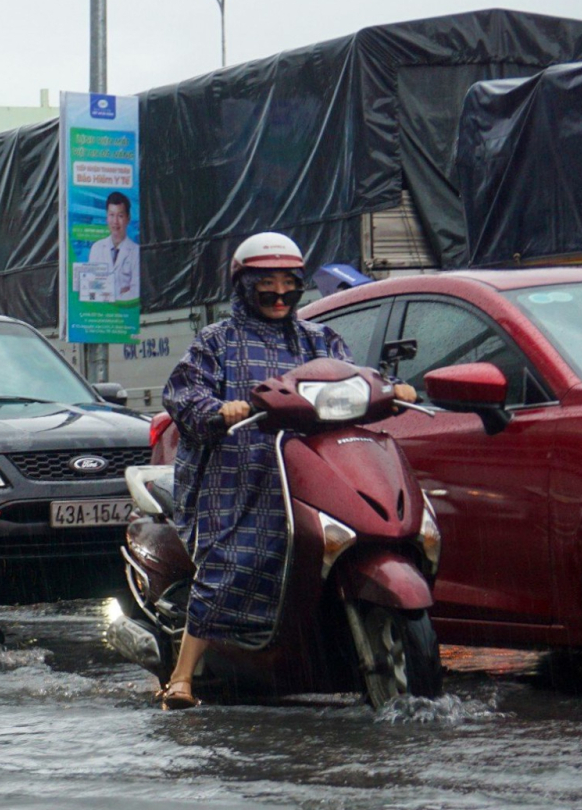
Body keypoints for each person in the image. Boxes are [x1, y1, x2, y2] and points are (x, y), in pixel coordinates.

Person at [157, 231, 417, 709]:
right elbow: (181, 394)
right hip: (238, 476)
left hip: (309, 469)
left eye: (288, 284)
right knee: (233, 560)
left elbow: (353, 377)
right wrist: (220, 409)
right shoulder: (217, 342)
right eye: (266, 284)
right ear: (243, 286)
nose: (279, 294)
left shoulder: (319, 339)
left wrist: (393, 390)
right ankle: (182, 677)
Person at [84, 192, 140, 303]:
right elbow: (92, 288)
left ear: (128, 218)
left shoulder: (136, 251)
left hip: (125, 314)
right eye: (111, 215)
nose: (115, 221)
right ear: (106, 217)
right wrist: (121, 292)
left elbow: (136, 292)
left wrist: (108, 295)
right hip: (101, 313)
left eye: (120, 216)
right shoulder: (97, 248)